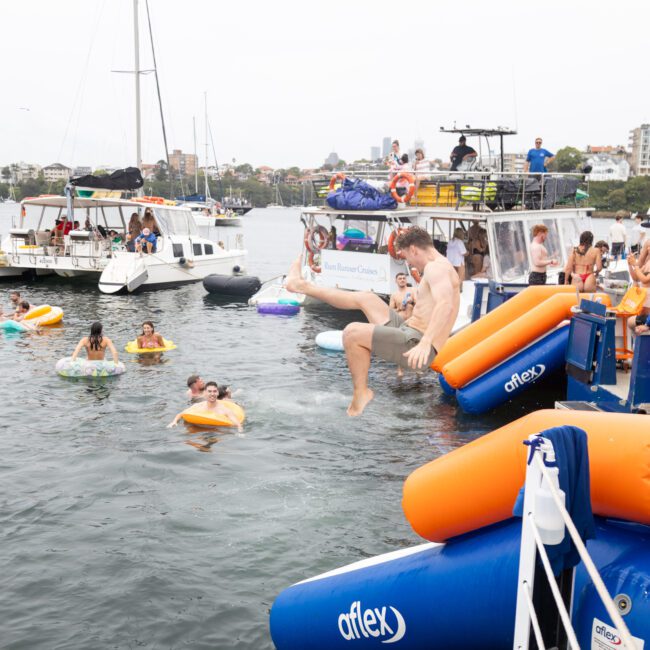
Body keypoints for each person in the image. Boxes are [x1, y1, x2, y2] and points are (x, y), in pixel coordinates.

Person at [285, 226, 460, 416]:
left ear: (414, 250)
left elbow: (445, 305)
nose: (409, 264)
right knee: (366, 298)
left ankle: (361, 393)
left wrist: (425, 343)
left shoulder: (437, 269)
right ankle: (301, 286)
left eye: (407, 257)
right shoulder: (438, 266)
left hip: (417, 344)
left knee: (352, 332)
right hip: (407, 331)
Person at [168, 381, 243, 431]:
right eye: (209, 391)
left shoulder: (224, 410)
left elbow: (238, 424)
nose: (212, 394)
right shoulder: (198, 406)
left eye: (214, 391)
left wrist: (240, 433)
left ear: (217, 393)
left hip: (217, 431)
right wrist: (174, 422)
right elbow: (182, 413)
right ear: (205, 393)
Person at [626, 252, 650, 337]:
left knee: (630, 322)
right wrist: (630, 265)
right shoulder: (647, 262)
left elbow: (645, 280)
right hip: (644, 311)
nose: (647, 249)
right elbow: (636, 277)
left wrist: (635, 265)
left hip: (647, 315)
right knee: (631, 322)